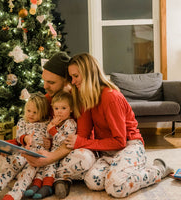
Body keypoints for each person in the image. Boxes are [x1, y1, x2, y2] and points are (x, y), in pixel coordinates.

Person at [64, 52, 174, 198]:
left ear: (89, 73)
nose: (73, 81)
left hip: (129, 145)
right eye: (71, 77)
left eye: (76, 76)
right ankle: (123, 170)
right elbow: (83, 135)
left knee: (116, 187)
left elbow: (119, 141)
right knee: (92, 182)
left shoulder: (110, 97)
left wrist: (82, 142)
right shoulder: (85, 98)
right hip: (108, 152)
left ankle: (159, 169)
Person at [23, 51, 96, 199]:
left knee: (84, 158)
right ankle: (57, 177)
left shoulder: (81, 100)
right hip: (50, 148)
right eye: (44, 80)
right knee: (8, 156)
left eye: (51, 82)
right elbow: (33, 125)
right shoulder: (47, 99)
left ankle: (57, 178)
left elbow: (80, 139)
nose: (45, 86)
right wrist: (26, 142)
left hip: (74, 149)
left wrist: (50, 158)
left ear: (67, 81)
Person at [0, 92, 51, 200]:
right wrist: (25, 138)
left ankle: (13, 196)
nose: (30, 114)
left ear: (43, 113)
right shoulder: (23, 122)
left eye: (35, 112)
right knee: (9, 170)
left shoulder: (47, 124)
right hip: (22, 153)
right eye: (28, 111)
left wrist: (49, 142)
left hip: (36, 158)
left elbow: (52, 139)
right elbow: (18, 137)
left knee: (26, 177)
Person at [24, 90, 77, 199]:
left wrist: (53, 130)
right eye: (56, 108)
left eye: (63, 108)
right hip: (52, 151)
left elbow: (65, 142)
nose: (59, 112)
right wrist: (49, 141)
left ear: (71, 109)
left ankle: (47, 186)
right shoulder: (53, 122)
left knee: (50, 166)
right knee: (41, 165)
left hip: (62, 155)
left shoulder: (70, 123)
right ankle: (36, 184)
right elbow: (50, 138)